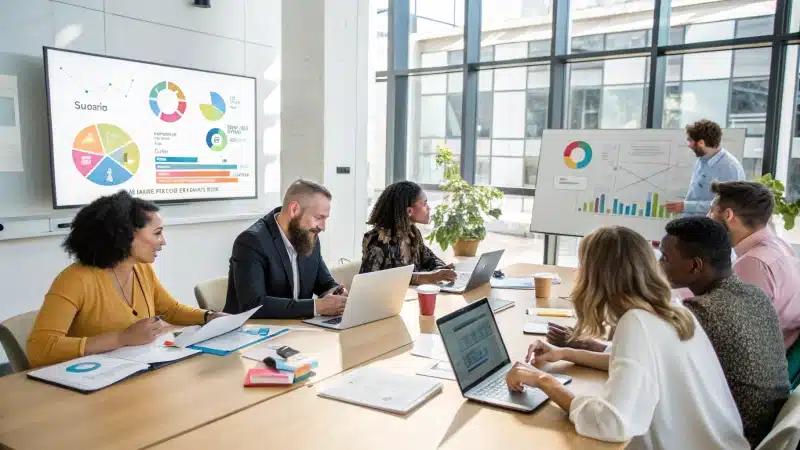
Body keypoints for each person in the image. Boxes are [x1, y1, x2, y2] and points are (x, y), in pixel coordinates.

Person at [505, 226, 749, 450]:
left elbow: (613, 424)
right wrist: (564, 353)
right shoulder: (673, 309)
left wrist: (545, 382)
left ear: (597, 276)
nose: (576, 273)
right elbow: (637, 365)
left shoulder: (637, 323)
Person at [27, 191, 224, 368]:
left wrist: (209, 316)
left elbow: (170, 310)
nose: (163, 241)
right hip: (88, 384)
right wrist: (122, 338)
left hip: (130, 372)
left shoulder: (141, 268)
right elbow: (40, 348)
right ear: (125, 235)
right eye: (157, 233)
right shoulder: (75, 280)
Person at [659, 217, 789, 447]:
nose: (659, 264)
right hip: (761, 429)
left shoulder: (701, 311)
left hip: (729, 436)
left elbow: (648, 365)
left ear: (695, 265)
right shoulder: (755, 296)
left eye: (665, 258)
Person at [224, 179, 347, 320]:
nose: (323, 227)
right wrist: (317, 306)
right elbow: (254, 305)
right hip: (250, 334)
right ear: (294, 209)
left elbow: (325, 284)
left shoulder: (307, 236)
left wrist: (337, 292)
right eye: (319, 217)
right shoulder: (251, 242)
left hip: (295, 331)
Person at [707, 180, 800, 349]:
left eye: (712, 211)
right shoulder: (780, 246)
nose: (708, 217)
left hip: (760, 364)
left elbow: (735, 334)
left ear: (728, 215)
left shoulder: (753, 263)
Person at [359, 181, 457, 285]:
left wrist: (442, 271)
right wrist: (427, 277)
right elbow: (368, 282)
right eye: (425, 203)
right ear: (409, 211)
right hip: (387, 300)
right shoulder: (377, 240)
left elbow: (430, 260)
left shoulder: (413, 234)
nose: (429, 208)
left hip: (412, 298)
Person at [664, 119, 745, 217]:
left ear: (701, 143)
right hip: (689, 222)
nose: (688, 145)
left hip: (707, 227)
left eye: (690, 141)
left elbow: (726, 206)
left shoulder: (731, 168)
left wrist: (685, 206)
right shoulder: (701, 159)